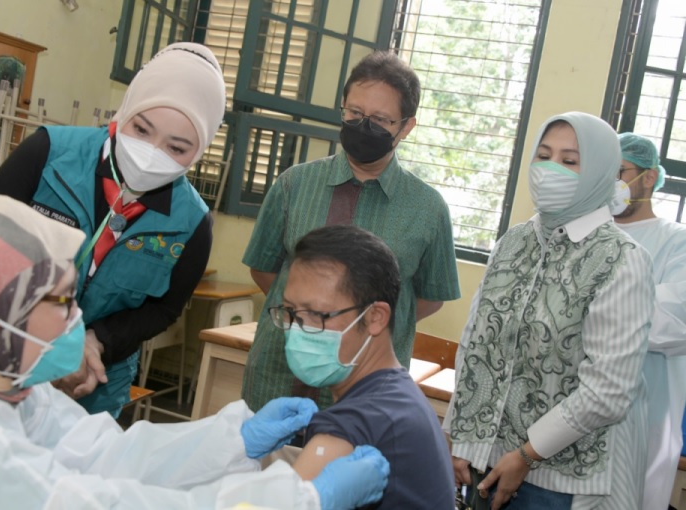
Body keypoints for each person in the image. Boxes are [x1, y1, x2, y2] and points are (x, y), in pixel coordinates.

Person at [0, 193, 391, 510]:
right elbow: (89, 503)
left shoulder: (2, 383)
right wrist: (300, 501)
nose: (77, 317)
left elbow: (101, 455)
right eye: (60, 301)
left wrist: (231, 441)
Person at [0, 42, 224, 417]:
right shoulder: (48, 155)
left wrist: (96, 341)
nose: (151, 153)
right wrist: (50, 331)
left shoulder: (192, 225)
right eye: (141, 129)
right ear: (125, 110)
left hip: (93, 381)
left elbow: (164, 309)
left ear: (199, 151)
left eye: (177, 148)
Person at [445, 112, 655, 509]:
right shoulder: (514, 242)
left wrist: (526, 455)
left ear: (601, 172)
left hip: (555, 481)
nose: (549, 169)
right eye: (543, 156)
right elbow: (476, 345)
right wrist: (461, 436)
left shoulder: (621, 259)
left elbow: (608, 390)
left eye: (569, 160)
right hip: (484, 459)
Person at [242, 50, 460, 412]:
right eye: (355, 114)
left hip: (365, 391)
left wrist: (356, 327)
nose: (364, 126)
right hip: (278, 373)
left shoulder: (428, 209)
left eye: (380, 120)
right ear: (342, 107)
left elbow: (429, 298)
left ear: (406, 127)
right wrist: (310, 318)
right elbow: (264, 269)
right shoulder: (294, 185)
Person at [267, 224, 456, 508]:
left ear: (375, 317)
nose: (297, 329)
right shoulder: (396, 394)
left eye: (317, 314)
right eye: (291, 311)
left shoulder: (355, 424)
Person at [611, 132, 686, 510]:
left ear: (649, 177)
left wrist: (600, 306)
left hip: (646, 414)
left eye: (620, 172)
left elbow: (673, 320)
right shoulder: (587, 233)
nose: (611, 182)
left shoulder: (676, 242)